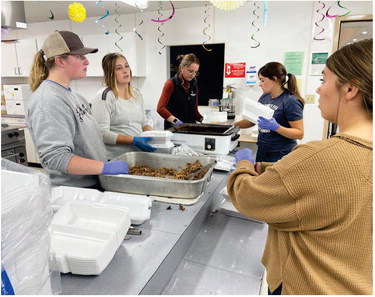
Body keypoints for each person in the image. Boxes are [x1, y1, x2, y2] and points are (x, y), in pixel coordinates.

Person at [227, 38, 372, 295]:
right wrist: (271, 169)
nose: (317, 90)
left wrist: (244, 165)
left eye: (323, 80)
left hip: (306, 284)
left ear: (350, 89)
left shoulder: (320, 156)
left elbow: (248, 197)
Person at [27, 30, 129, 189]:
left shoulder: (74, 96)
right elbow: (56, 157)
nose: (87, 61)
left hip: (94, 183)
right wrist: (104, 167)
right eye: (80, 56)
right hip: (75, 191)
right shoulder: (47, 101)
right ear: (60, 60)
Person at [235, 62, 304, 162]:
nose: (260, 84)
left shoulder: (290, 101)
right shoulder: (265, 97)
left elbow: (299, 133)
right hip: (263, 150)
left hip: (281, 153)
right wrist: (233, 126)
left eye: (262, 80)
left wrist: (276, 127)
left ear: (274, 79)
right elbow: (252, 120)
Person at [91, 52, 156, 160]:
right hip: (115, 159)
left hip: (138, 156)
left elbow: (143, 122)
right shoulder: (104, 97)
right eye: (119, 68)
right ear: (110, 73)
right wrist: (133, 140)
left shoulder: (137, 94)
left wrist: (154, 136)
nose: (125, 71)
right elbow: (102, 134)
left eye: (126, 66)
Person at [157, 53, 203, 130]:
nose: (193, 75)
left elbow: (194, 111)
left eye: (195, 72)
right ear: (182, 68)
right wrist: (177, 122)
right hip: (174, 129)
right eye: (190, 71)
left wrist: (204, 120)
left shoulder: (194, 86)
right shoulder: (171, 83)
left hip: (190, 128)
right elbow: (160, 108)